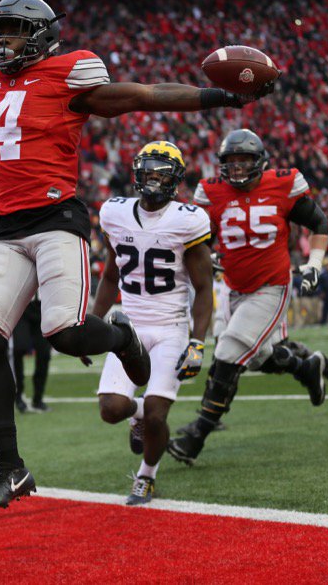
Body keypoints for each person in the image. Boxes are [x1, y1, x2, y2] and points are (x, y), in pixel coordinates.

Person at [0, 0, 272, 515]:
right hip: (6, 227)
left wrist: (221, 98)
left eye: (12, 32)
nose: (1, 42)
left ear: (40, 35)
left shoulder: (69, 74)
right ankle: (10, 468)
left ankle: (121, 338)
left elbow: (144, 95)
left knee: (64, 333)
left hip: (57, 218)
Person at [168, 129, 328, 466]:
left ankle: (197, 436)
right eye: (231, 161)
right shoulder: (211, 192)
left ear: (260, 161)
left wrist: (314, 263)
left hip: (271, 285)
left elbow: (318, 223)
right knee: (253, 357)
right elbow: (200, 240)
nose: (237, 168)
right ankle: (308, 367)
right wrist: (208, 255)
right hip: (232, 287)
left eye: (244, 160)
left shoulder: (283, 184)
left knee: (228, 350)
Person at [92, 141, 213, 505]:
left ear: (175, 179)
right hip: (128, 328)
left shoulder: (188, 219)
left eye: (162, 173)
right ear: (137, 174)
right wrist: (91, 325)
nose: (154, 179)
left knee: (158, 416)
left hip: (170, 328)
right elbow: (110, 276)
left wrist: (197, 342)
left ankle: (146, 476)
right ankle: (137, 415)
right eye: (148, 172)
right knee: (111, 409)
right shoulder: (115, 213)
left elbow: (204, 288)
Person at [12, 297, 52, 414]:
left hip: (43, 307)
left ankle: (38, 398)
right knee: (18, 348)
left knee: (44, 354)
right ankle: (18, 394)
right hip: (21, 306)